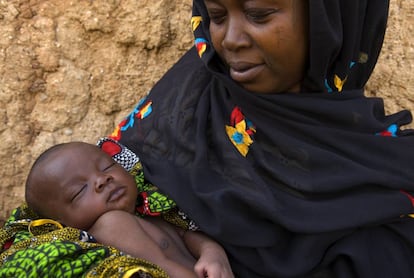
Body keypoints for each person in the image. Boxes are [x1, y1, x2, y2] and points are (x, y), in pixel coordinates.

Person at [103, 0, 414, 277]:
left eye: (258, 15)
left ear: (331, 17)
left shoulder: (390, 170)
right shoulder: (175, 116)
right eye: (217, 16)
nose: (231, 40)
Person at [24, 141, 234, 278]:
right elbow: (162, 267)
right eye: (79, 191)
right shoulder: (111, 224)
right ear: (64, 224)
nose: (102, 180)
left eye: (107, 167)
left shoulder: (142, 210)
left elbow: (184, 234)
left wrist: (212, 252)